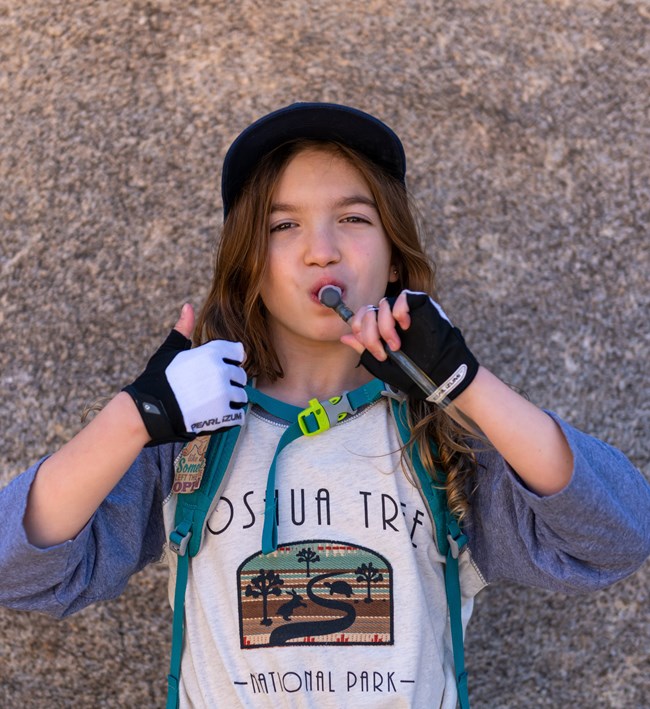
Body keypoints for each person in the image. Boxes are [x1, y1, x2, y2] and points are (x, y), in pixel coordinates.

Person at [0, 102, 648, 709]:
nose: (322, 249)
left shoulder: (443, 439)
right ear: (249, 263)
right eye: (283, 225)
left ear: (394, 252)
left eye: (355, 218)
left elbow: (615, 537)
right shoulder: (191, 437)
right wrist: (133, 418)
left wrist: (464, 384)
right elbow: (23, 571)